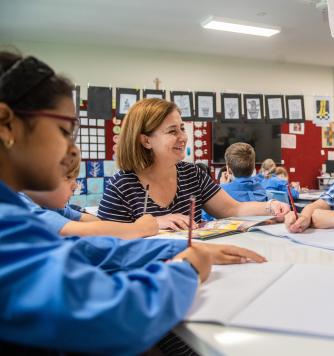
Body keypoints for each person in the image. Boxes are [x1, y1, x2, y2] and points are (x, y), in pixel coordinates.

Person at [0, 51, 266, 354]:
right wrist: (187, 268)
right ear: (6, 124)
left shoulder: (17, 211)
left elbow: (88, 250)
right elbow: (114, 317)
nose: (71, 150)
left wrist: (180, 247)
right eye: (64, 131)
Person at [97, 99, 290, 230]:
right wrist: (152, 223)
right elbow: (104, 240)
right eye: (172, 131)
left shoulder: (192, 174)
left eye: (182, 128)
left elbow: (233, 209)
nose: (183, 137)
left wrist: (271, 206)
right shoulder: (121, 186)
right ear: (146, 141)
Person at [20, 144, 159, 238]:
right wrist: (137, 229)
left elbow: (93, 221)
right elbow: (79, 230)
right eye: (67, 177)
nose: (75, 186)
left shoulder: (52, 206)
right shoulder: (22, 206)